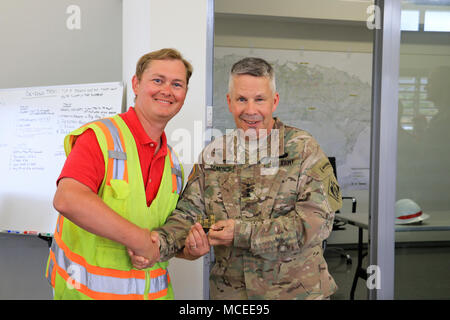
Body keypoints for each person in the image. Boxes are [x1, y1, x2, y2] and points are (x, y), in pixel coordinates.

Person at [133, 57, 342, 300]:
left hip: (296, 294)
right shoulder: (214, 155)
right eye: (242, 99)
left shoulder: (304, 149)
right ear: (229, 102)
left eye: (259, 99)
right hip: (231, 295)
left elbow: (316, 225)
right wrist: (158, 245)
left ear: (274, 101)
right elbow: (189, 214)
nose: (250, 110)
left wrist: (241, 233)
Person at [45, 48, 192, 300]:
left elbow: (161, 236)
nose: (167, 90)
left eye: (177, 84)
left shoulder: (174, 163)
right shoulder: (100, 138)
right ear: (136, 84)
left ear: (185, 94)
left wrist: (188, 250)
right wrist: (141, 240)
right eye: (157, 80)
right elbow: (67, 199)